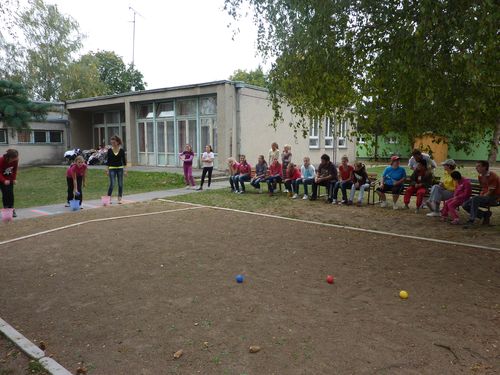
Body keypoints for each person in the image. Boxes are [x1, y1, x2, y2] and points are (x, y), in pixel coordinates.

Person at [462, 160, 500, 226]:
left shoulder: (493, 176)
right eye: (476, 166)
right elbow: (483, 188)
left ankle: (471, 220)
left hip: (494, 198)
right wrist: (480, 196)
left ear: (485, 167)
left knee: (475, 198)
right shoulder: (480, 176)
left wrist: (480, 197)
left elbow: (490, 191)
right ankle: (485, 215)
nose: (476, 168)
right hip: (485, 196)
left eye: (478, 166)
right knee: (465, 205)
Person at [106, 135, 127, 204]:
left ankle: (119, 198)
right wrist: (107, 169)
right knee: (112, 183)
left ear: (117, 142)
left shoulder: (121, 150)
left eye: (114, 142)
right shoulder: (109, 150)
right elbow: (108, 161)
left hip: (120, 168)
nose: (113, 144)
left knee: (120, 184)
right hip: (112, 168)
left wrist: (125, 170)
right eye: (111, 143)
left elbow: (124, 161)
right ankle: (108, 198)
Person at [0, 149, 19, 217]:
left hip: (9, 178)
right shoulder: (1, 160)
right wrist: (3, 180)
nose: (14, 160)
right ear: (9, 157)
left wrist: (14, 179)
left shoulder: (16, 160)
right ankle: (6, 209)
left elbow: (15, 170)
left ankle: (11, 210)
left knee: (10, 194)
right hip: (1, 178)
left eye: (15, 159)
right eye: (13, 159)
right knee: (5, 193)